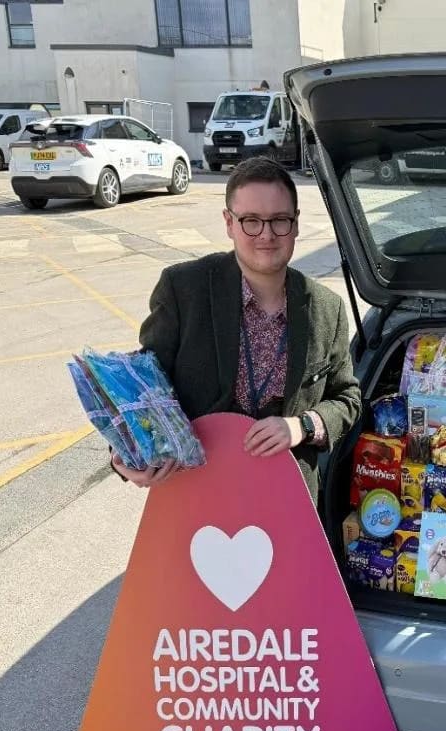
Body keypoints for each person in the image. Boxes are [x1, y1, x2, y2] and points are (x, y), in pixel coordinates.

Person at [111, 155, 362, 510]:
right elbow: (144, 384)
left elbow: (347, 398)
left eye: (279, 221)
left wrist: (302, 425)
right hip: (196, 496)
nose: (267, 234)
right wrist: (123, 451)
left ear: (295, 224)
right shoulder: (184, 289)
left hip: (288, 502)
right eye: (251, 221)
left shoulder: (327, 308)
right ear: (229, 223)